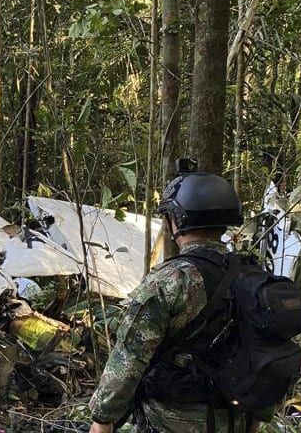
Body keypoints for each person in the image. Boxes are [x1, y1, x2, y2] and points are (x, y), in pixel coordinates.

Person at [88, 168, 266, 433]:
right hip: (236, 419)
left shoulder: (172, 279)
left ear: (177, 220)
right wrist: (258, 418)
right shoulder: (253, 276)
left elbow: (128, 358)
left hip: (171, 420)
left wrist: (103, 419)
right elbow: (269, 350)